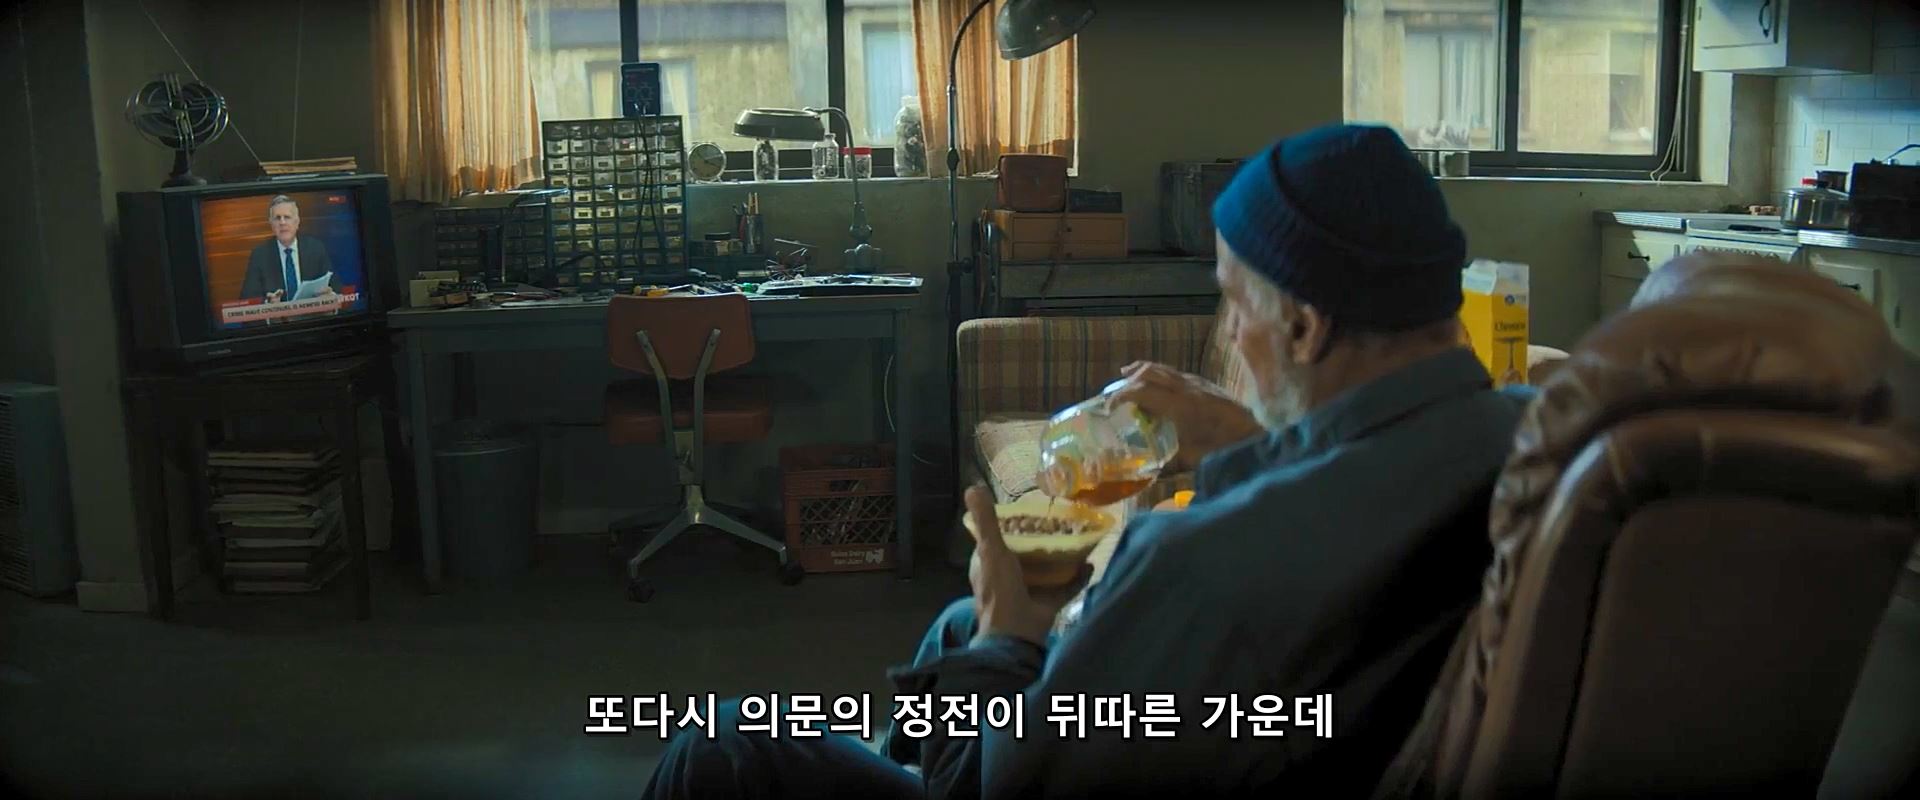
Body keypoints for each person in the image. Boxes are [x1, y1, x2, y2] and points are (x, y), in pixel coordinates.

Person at [642, 124, 1536, 799]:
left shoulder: (1196, 562)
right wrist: (1247, 437)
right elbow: (1346, 486)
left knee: (721, 749)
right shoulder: (1525, 440)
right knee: (953, 625)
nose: (1229, 335)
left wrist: (1008, 639)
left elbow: (1009, 784)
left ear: (1304, 326)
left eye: (1234, 304)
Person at [238, 195, 340, 305]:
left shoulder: (315, 248)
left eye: (287, 217)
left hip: (313, 314)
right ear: (271, 224)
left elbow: (336, 288)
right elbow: (247, 300)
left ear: (297, 222)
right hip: (278, 316)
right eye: (277, 218)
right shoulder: (259, 255)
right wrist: (267, 303)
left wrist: (329, 296)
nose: (282, 222)